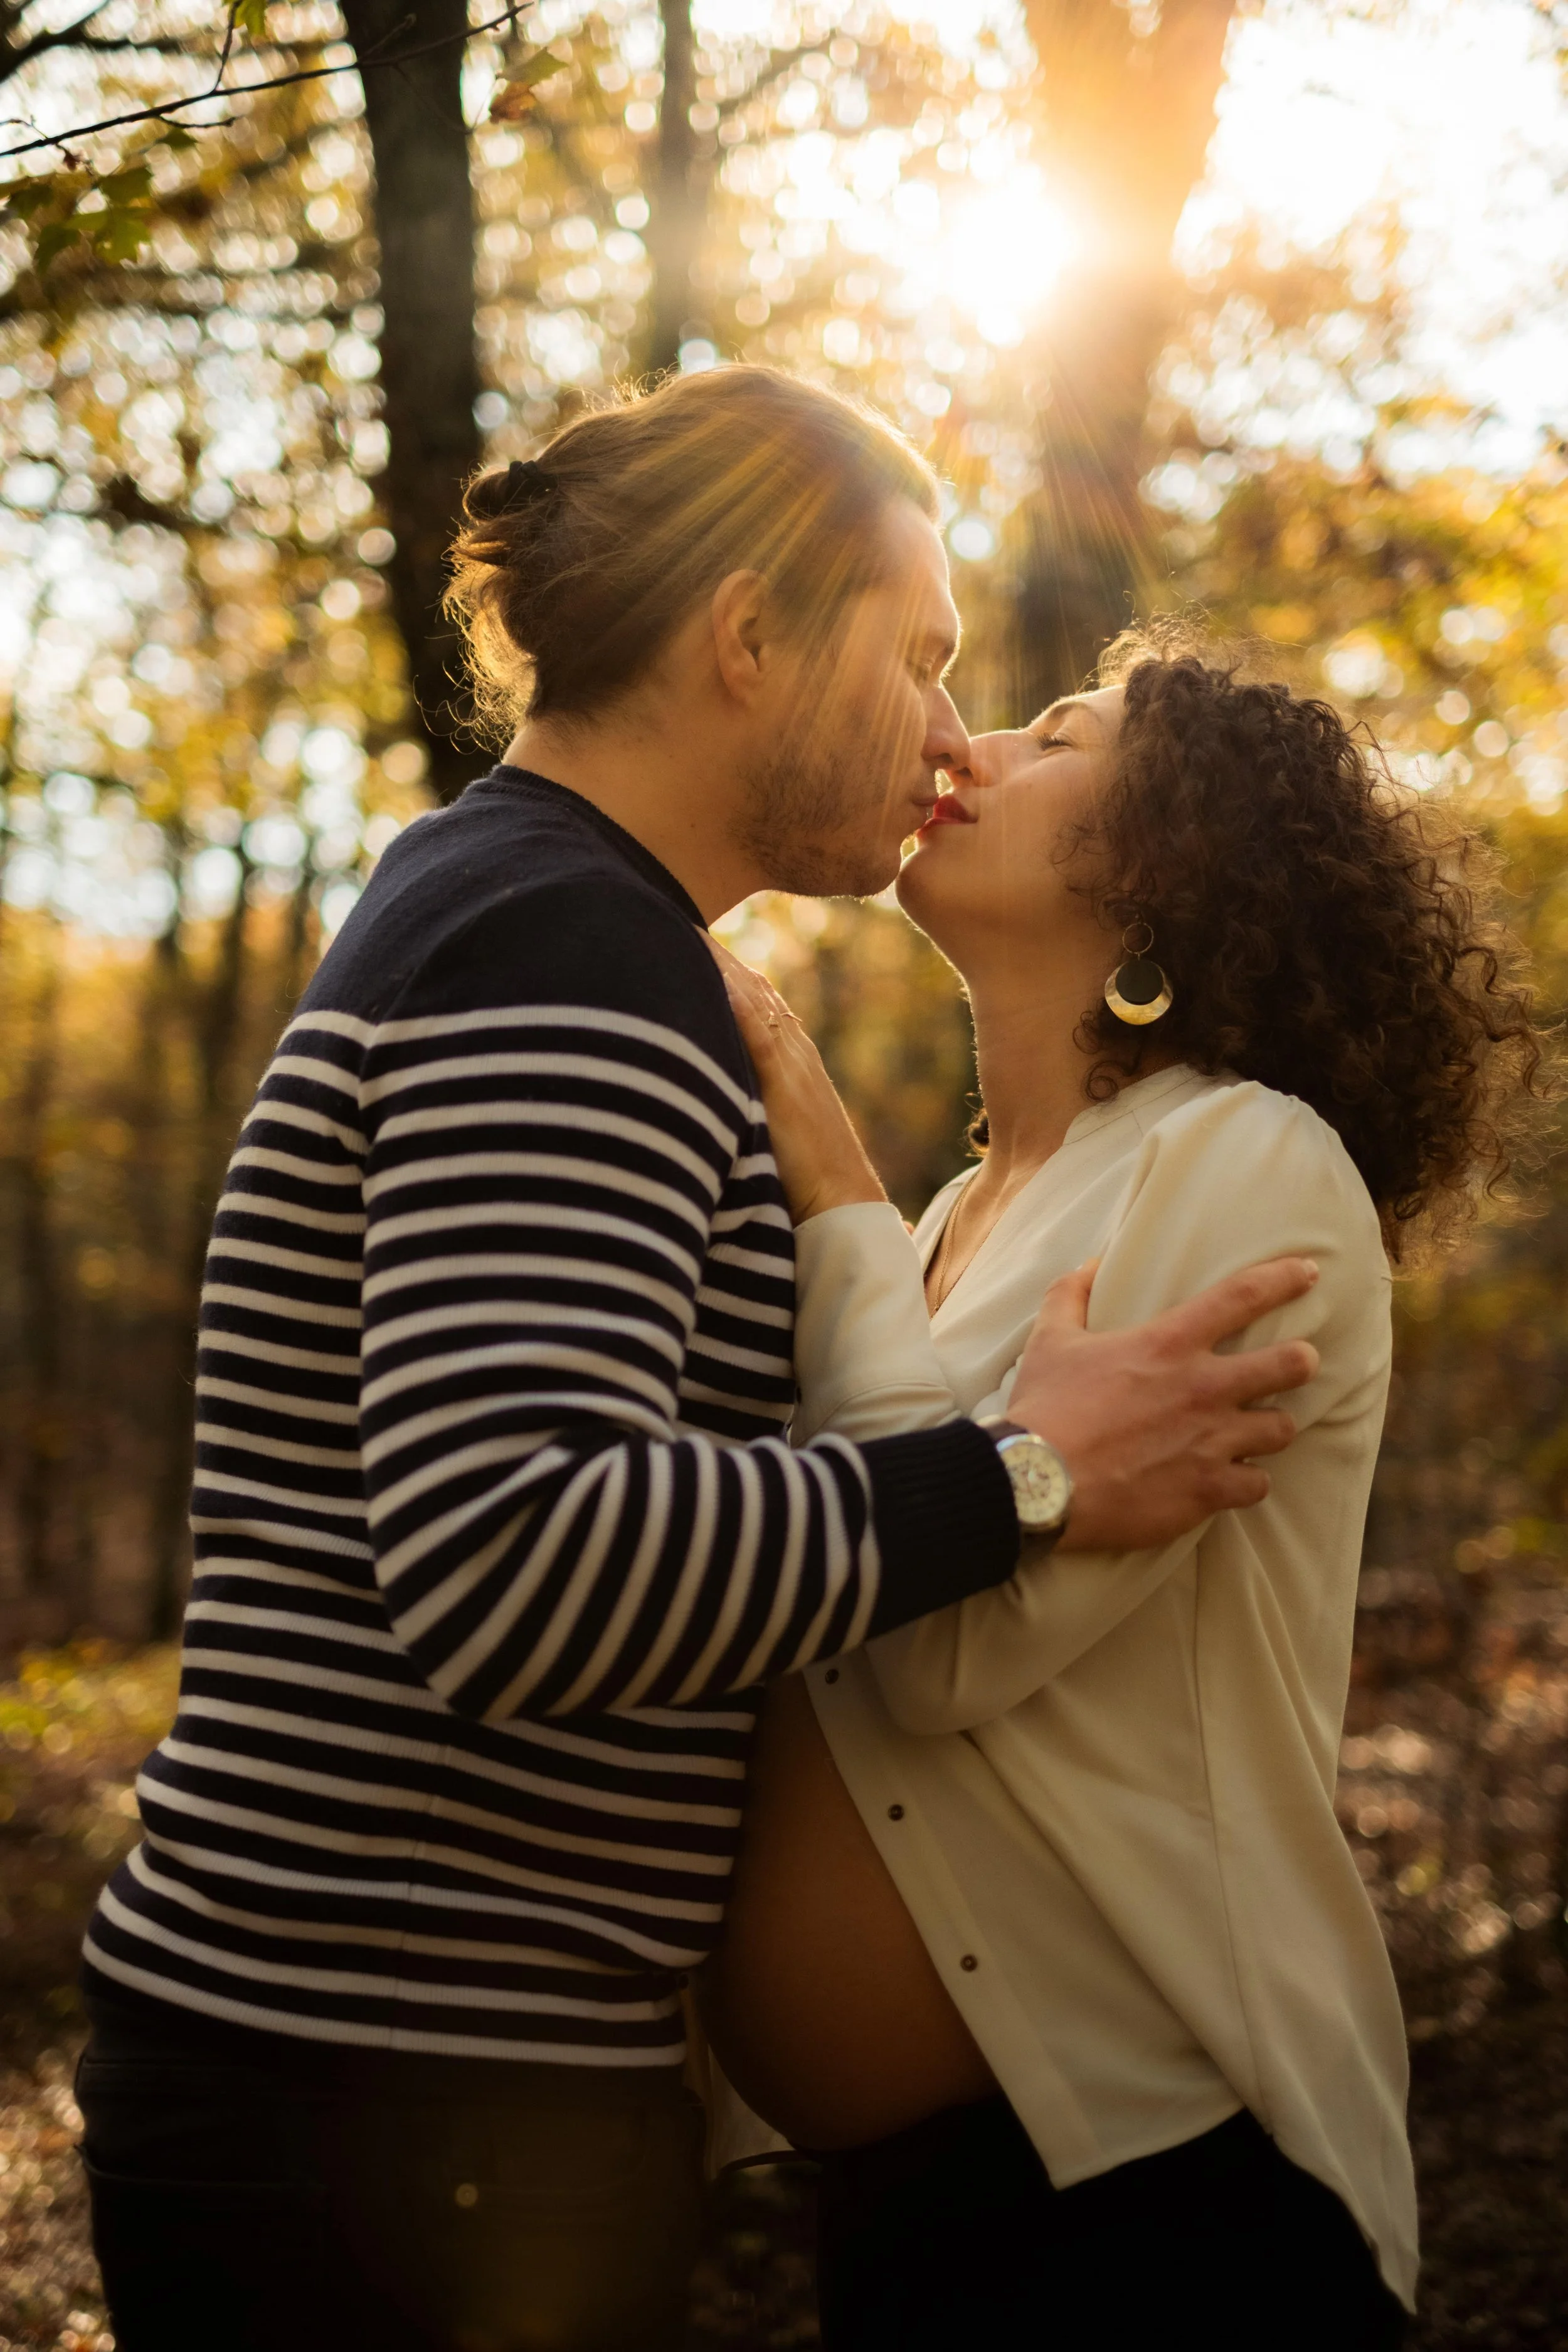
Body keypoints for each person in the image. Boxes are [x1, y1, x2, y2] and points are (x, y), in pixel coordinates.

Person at [73, 374, 1318, 2352]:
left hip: (370, 2079)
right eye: (915, 655)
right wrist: (1015, 1477)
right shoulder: (570, 949)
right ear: (747, 637)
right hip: (395, 2103)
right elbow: (512, 1557)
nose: (944, 729)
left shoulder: (508, 901)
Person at [704, 634, 1541, 2351]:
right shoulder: (945, 1228)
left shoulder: (1244, 1161)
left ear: (1167, 857)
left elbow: (930, 1652)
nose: (972, 741)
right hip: (922, 2213)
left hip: (1162, 2209)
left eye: (1056, 733)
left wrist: (832, 1192)